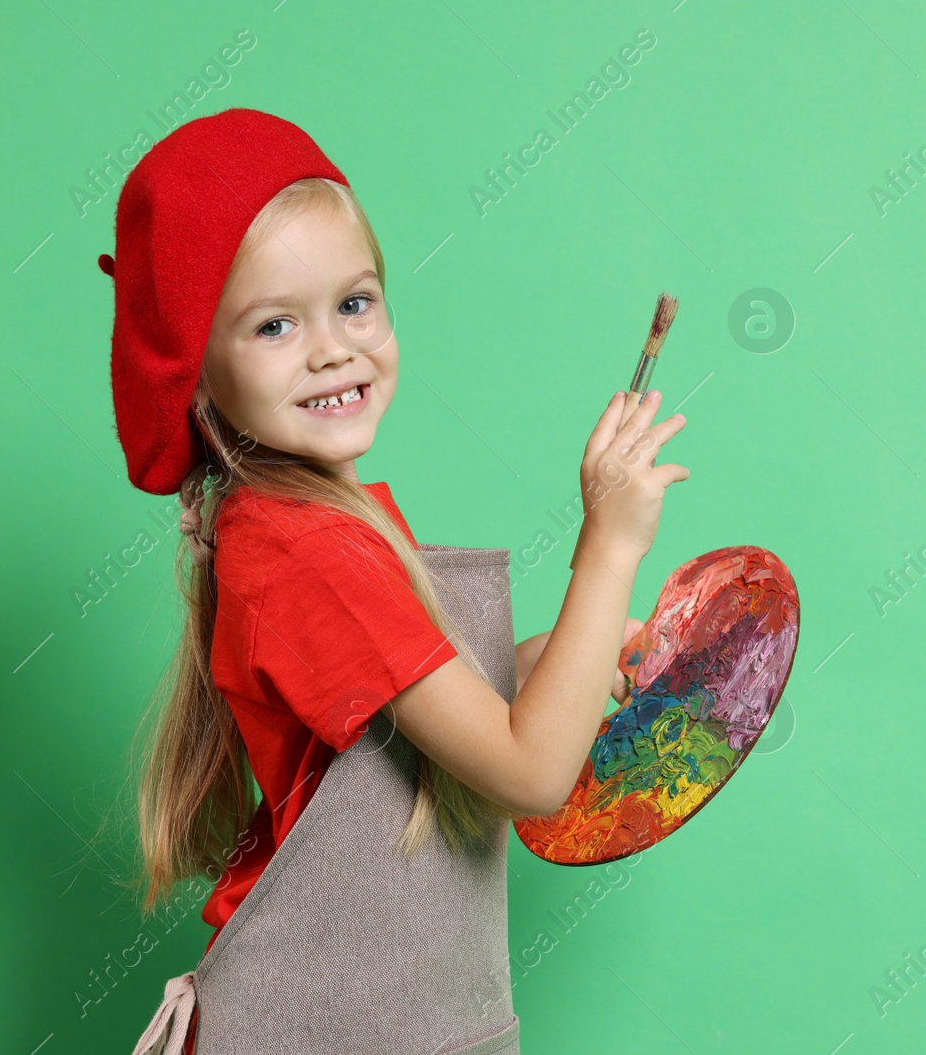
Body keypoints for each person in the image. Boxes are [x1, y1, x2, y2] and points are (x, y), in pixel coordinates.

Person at [100, 108, 688, 1055]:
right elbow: (529, 770)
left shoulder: (319, 524)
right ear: (199, 378)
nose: (332, 348)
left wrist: (571, 651)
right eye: (274, 323)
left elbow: (415, 725)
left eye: (355, 302)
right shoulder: (304, 552)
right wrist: (609, 545)